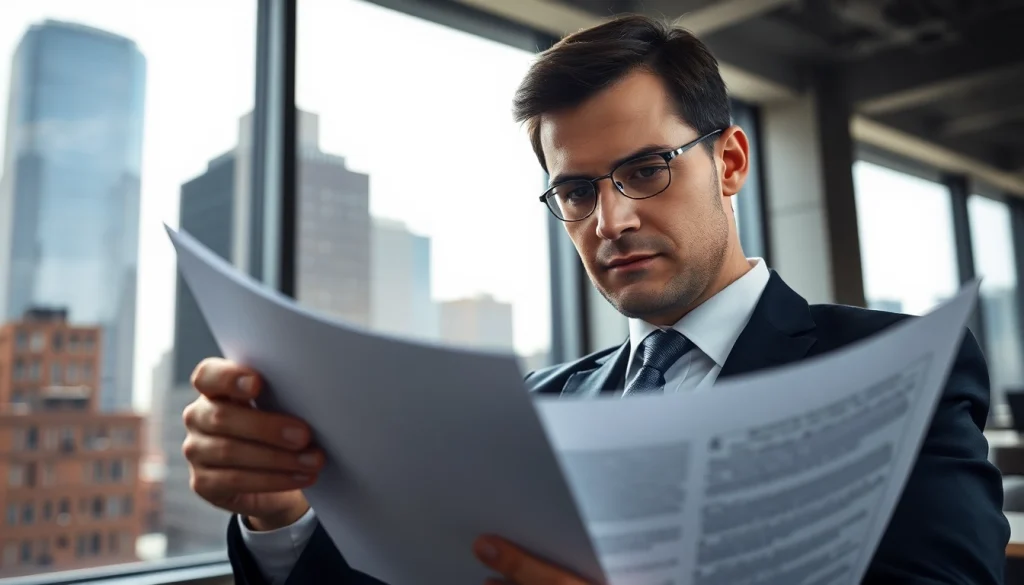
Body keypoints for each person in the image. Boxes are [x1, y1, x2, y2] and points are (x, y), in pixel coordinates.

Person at [181, 14, 1009, 585]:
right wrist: (280, 514)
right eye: (575, 190)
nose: (610, 220)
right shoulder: (532, 408)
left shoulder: (895, 368)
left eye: (646, 169)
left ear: (728, 163)